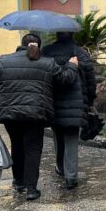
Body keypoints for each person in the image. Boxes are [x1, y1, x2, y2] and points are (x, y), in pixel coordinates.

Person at [0, 33, 79, 201]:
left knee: (17, 146)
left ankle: (19, 182)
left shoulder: (4, 60)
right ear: (38, 46)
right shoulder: (47, 62)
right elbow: (65, 79)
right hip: (36, 115)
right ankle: (32, 189)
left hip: (10, 115)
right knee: (33, 150)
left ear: (22, 44)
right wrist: (72, 65)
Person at [42, 32, 97, 190]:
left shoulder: (46, 51)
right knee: (72, 139)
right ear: (72, 35)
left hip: (53, 102)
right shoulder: (80, 53)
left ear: (57, 35)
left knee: (58, 136)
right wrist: (90, 101)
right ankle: (71, 177)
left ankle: (60, 168)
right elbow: (91, 80)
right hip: (77, 104)